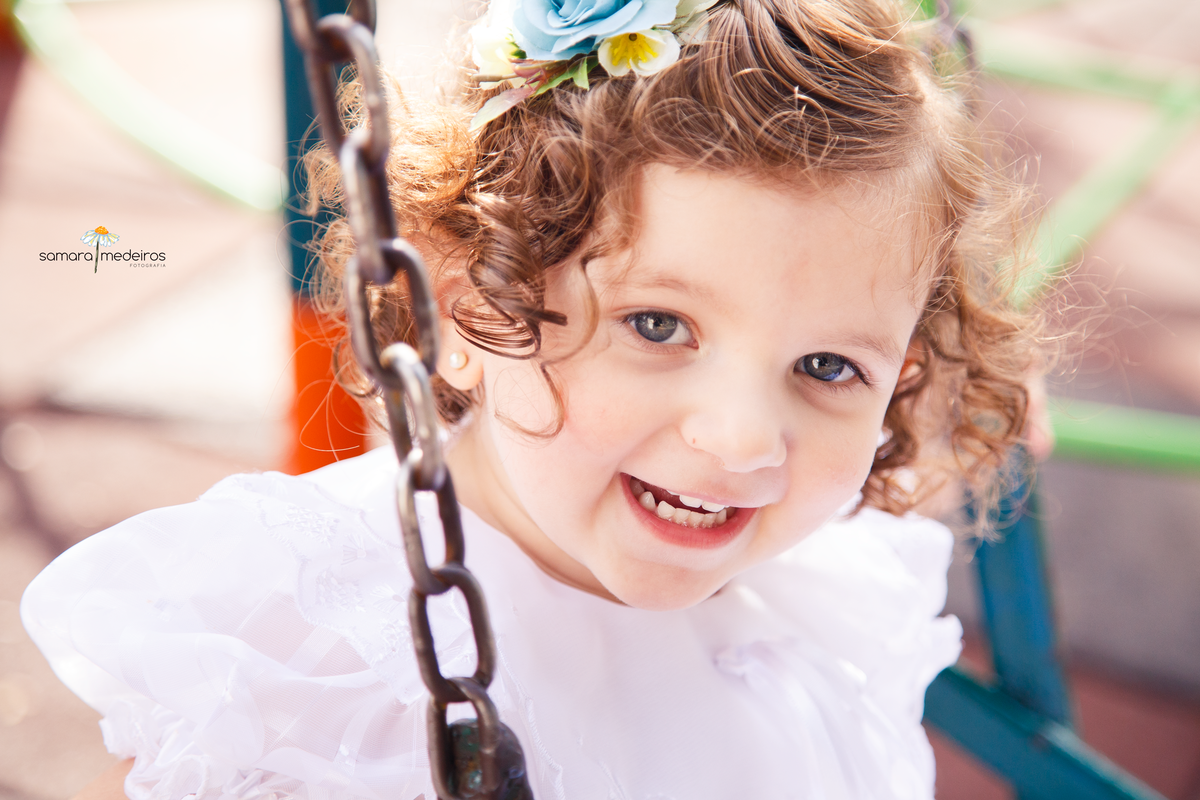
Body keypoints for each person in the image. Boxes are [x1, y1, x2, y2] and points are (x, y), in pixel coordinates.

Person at [23, 0, 1047, 797]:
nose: (742, 442)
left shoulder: (826, 576)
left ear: (902, 371)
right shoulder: (337, 655)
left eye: (827, 367)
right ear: (468, 310)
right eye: (657, 325)